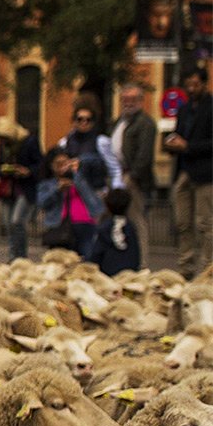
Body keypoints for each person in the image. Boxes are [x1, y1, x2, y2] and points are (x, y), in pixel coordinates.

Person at [165, 65, 213, 276]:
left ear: (204, 83)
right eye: (188, 85)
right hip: (184, 170)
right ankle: (186, 266)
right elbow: (178, 133)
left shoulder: (211, 107)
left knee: (205, 223)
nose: (191, 89)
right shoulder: (184, 109)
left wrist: (188, 146)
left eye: (195, 84)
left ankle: (208, 268)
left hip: (206, 174)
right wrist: (171, 143)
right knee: (183, 222)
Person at [111, 84, 158, 262]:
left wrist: (132, 177)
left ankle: (142, 263)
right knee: (115, 221)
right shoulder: (119, 121)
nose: (127, 103)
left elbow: (144, 155)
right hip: (116, 175)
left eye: (132, 100)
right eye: (125, 100)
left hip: (133, 179)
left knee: (137, 221)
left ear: (140, 101)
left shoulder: (145, 123)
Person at [0, 116, 43, 261]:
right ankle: (12, 256)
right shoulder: (3, 146)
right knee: (8, 224)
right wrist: (4, 170)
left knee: (17, 221)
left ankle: (21, 255)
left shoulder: (30, 142)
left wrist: (27, 171)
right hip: (8, 189)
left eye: (4, 138)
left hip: (25, 188)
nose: (2, 141)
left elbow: (41, 165)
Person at [38, 150, 102, 255]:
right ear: (52, 166)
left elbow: (96, 161)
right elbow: (42, 203)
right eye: (59, 164)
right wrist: (57, 189)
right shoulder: (47, 184)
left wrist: (77, 164)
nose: (63, 167)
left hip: (85, 224)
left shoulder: (80, 178)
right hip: (59, 225)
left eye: (65, 162)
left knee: (87, 259)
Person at [87, 187, 141, 276]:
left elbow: (96, 254)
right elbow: (136, 252)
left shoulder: (104, 227)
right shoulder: (130, 226)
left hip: (108, 274)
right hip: (129, 274)